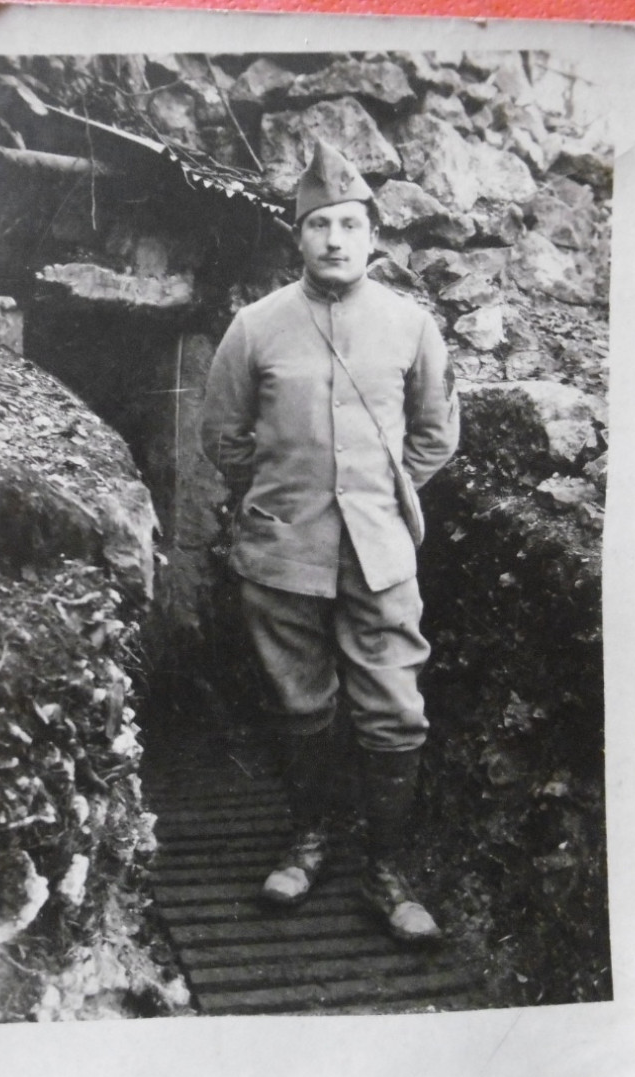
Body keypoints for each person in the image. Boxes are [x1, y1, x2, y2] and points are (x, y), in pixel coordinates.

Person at [199, 141, 461, 942]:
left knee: (395, 709)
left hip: (380, 553)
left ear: (372, 234)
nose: (336, 240)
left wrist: (380, 494)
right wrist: (283, 494)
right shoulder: (255, 327)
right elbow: (222, 434)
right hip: (284, 554)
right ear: (299, 237)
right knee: (298, 701)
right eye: (320, 226)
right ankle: (308, 838)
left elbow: (436, 434)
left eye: (350, 224)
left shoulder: (412, 325)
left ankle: (386, 867)